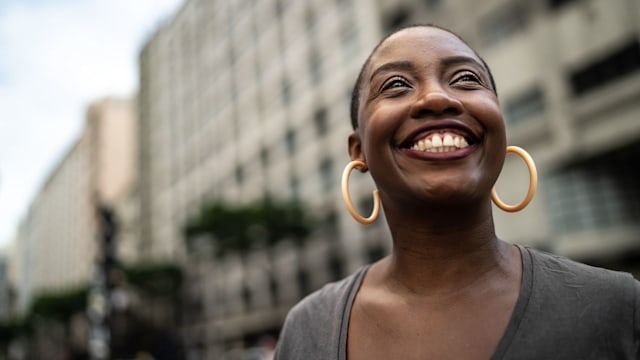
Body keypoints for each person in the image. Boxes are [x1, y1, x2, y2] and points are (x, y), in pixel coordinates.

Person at [274, 24, 640, 359]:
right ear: (358, 151)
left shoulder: (618, 307)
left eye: (465, 79)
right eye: (396, 85)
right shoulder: (309, 329)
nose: (436, 98)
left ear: (499, 125)